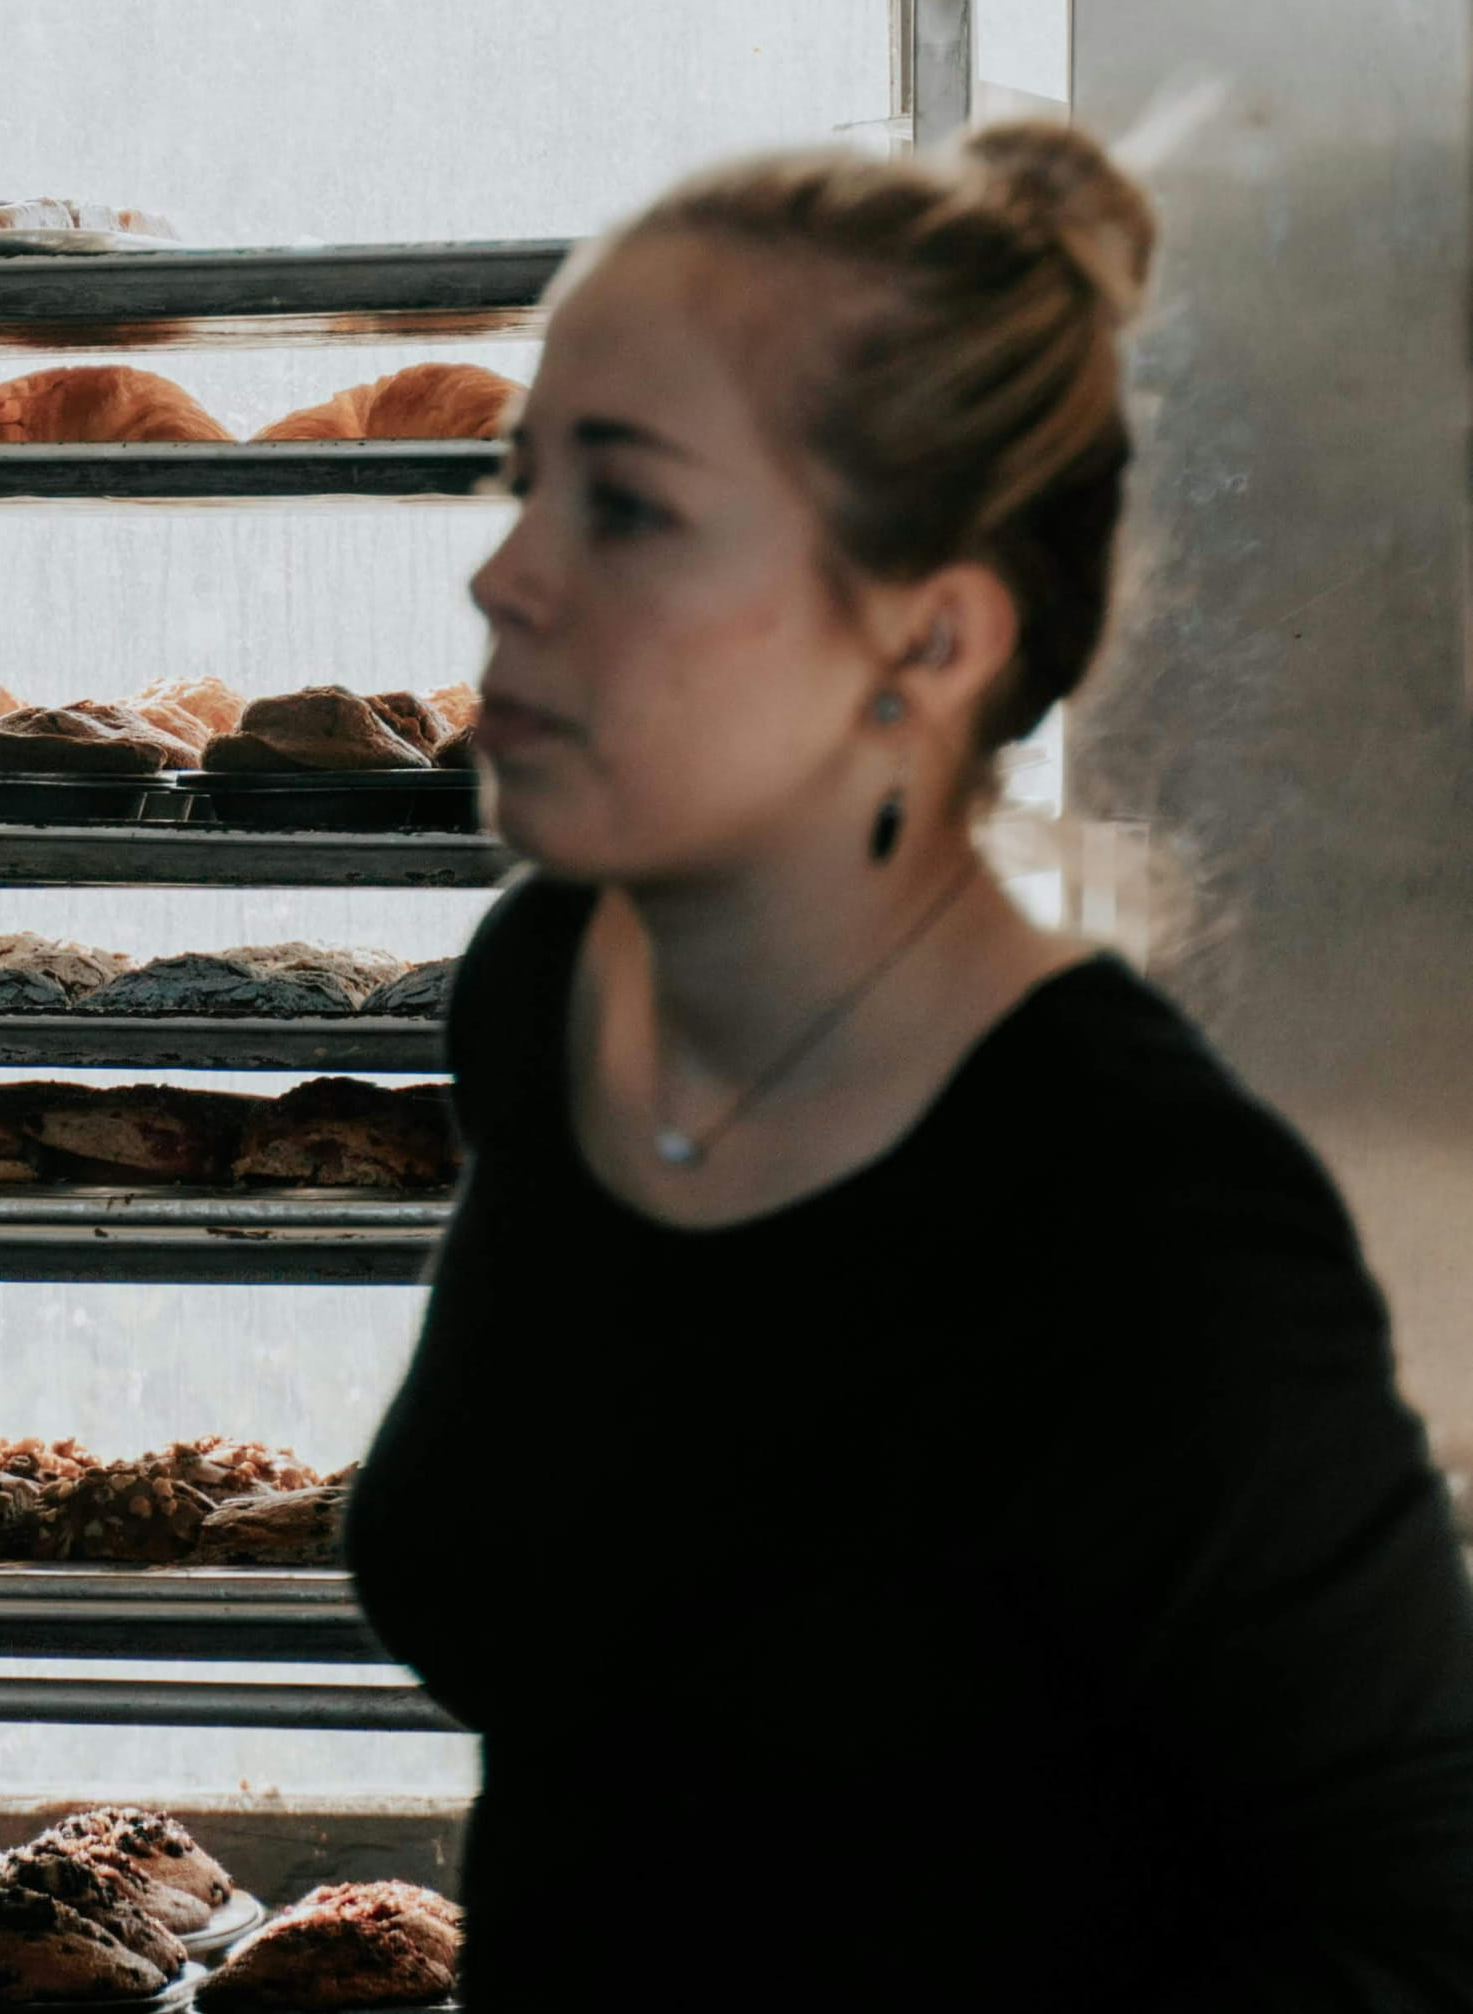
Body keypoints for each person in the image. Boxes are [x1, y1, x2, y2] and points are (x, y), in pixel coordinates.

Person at [346, 122, 1473, 2009]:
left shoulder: (1149, 1225)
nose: (503, 576)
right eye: (521, 481)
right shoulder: (552, 990)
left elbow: (1420, 1924)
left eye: (624, 508)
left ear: (932, 635)